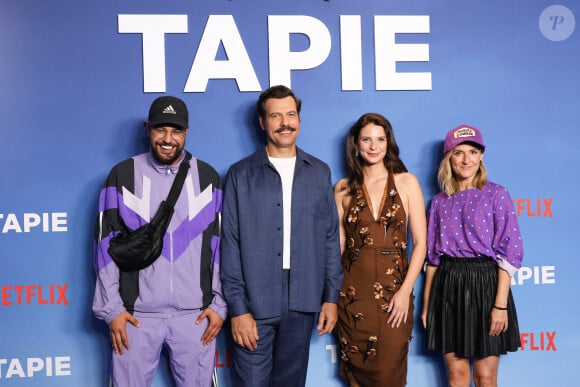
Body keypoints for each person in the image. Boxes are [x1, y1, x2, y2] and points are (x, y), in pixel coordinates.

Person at [92, 96, 226, 387]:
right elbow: (104, 245)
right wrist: (113, 308)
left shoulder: (208, 177)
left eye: (176, 131)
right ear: (148, 128)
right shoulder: (122, 175)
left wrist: (220, 305)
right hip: (135, 317)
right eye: (160, 130)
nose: (168, 139)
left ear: (186, 132)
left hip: (194, 317)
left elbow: (221, 247)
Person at [220, 85, 343, 387]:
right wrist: (238, 310)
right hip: (254, 301)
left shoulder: (319, 172)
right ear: (262, 122)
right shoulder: (240, 174)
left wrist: (330, 298)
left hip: (302, 300)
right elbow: (231, 243)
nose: (285, 122)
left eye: (291, 114)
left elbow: (329, 239)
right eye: (276, 115)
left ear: (299, 120)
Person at [421, 124, 523, 387]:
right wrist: (426, 306)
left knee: (485, 378)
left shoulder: (497, 194)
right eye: (459, 153)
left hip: (486, 286)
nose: (467, 160)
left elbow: (510, 253)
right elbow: (432, 259)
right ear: (448, 158)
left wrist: (499, 305)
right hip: (448, 287)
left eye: (473, 152)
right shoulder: (439, 202)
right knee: (456, 378)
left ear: (481, 157)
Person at [333, 113, 427, 386]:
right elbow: (338, 247)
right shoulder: (342, 189)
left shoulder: (407, 182)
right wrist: (329, 296)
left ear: (389, 143)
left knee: (389, 374)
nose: (374, 146)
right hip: (351, 298)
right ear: (356, 145)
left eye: (380, 139)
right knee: (357, 378)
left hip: (394, 296)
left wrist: (404, 292)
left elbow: (421, 244)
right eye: (366, 139)